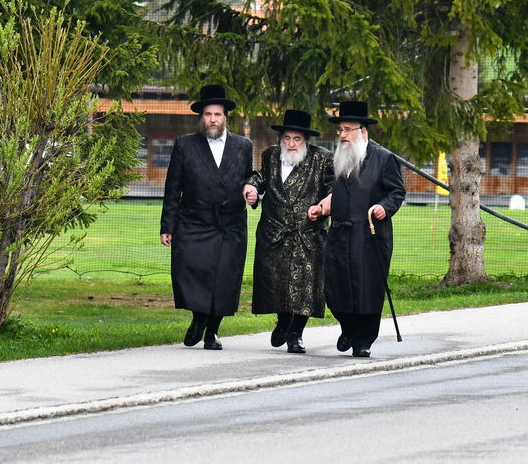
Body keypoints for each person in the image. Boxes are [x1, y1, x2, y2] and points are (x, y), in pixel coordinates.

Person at [159, 84, 255, 350]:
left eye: (218, 114)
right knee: (192, 272)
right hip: (193, 222)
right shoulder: (185, 145)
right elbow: (173, 187)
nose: (213, 119)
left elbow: (250, 177)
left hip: (230, 224)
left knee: (225, 279)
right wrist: (167, 225)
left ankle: (211, 331)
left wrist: (252, 190)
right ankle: (198, 318)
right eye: (208, 114)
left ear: (226, 117)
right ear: (201, 117)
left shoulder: (243, 145)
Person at [310, 100, 406, 358]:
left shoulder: (384, 159)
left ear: (363, 132)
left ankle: (364, 339)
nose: (342, 135)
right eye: (341, 129)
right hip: (340, 233)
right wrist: (323, 205)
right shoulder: (339, 157)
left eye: (348, 129)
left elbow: (397, 191)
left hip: (370, 235)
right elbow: (337, 191)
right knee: (336, 287)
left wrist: (385, 207)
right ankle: (347, 328)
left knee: (367, 288)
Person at [244, 109, 334, 354]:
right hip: (274, 232)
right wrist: (251, 188)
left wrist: (324, 205)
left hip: (308, 234)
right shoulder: (271, 155)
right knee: (277, 282)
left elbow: (334, 188)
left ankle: (296, 335)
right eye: (287, 138)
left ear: (306, 140)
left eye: (297, 139)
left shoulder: (321, 158)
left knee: (305, 285)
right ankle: (283, 320)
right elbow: (260, 177)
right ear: (281, 138)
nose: (291, 144)